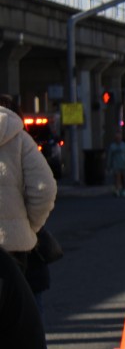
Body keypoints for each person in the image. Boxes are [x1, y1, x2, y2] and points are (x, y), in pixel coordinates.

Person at [0, 102, 57, 313]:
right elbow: (44, 188)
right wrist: (28, 226)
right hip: (14, 248)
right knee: (18, 318)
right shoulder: (19, 138)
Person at [105, 130, 125, 197]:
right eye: (116, 137)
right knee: (117, 177)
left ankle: (124, 190)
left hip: (123, 164)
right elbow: (110, 156)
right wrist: (108, 165)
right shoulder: (112, 146)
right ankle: (117, 190)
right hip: (116, 164)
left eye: (119, 137)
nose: (118, 139)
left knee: (123, 178)